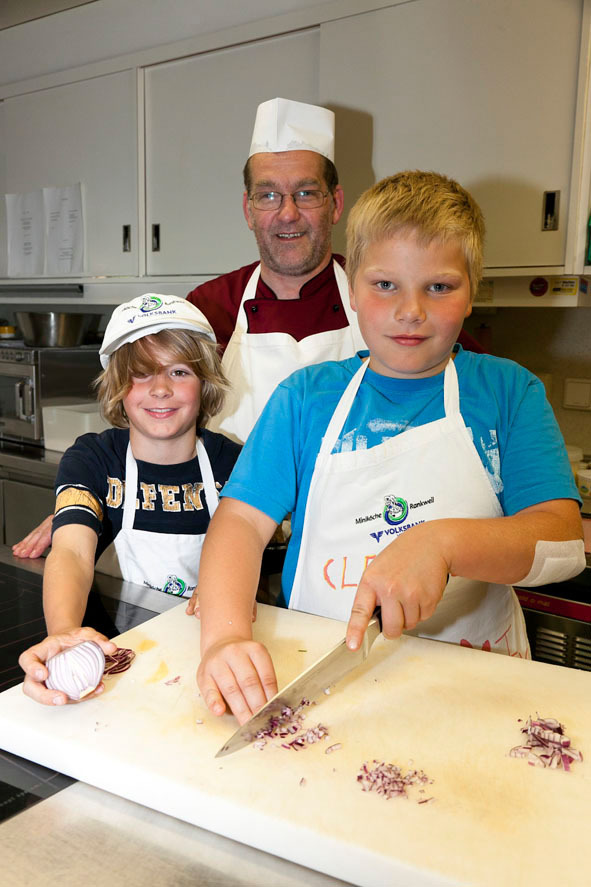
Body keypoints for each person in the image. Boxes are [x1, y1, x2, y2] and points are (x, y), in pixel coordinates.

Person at [12, 97, 483, 557]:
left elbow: (471, 410)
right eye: (268, 195)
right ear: (248, 208)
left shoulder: (384, 299)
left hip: (368, 543)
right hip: (230, 547)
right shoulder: (206, 310)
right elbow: (150, 415)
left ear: (335, 203)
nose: (287, 212)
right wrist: (93, 499)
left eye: (306, 193)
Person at [195, 171, 585, 725]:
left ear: (471, 292)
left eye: (439, 287)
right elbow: (238, 523)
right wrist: (225, 636)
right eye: (385, 285)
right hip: (327, 691)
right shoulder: (305, 400)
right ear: (351, 290)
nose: (411, 310)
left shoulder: (506, 391)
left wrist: (443, 543)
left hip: (480, 699)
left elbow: (563, 543)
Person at [18, 294, 240, 705]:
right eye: (140, 374)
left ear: (205, 383)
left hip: (214, 654)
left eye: (178, 372)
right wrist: (64, 633)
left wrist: (229, 593)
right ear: (118, 388)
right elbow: (72, 552)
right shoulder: (94, 459)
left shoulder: (235, 463)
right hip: (121, 657)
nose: (160, 389)